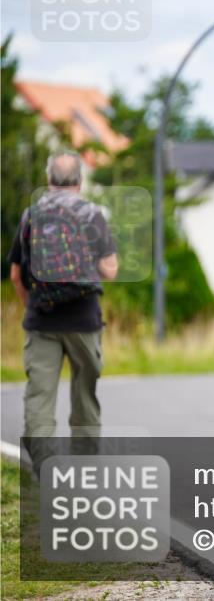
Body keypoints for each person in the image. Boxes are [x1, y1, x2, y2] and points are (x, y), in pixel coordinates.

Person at [8, 152, 118, 475]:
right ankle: (84, 470)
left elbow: (15, 274)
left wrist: (32, 304)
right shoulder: (92, 215)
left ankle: (43, 469)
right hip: (84, 320)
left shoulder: (31, 216)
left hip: (42, 320)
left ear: (49, 179)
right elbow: (110, 270)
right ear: (79, 180)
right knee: (85, 394)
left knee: (39, 397)